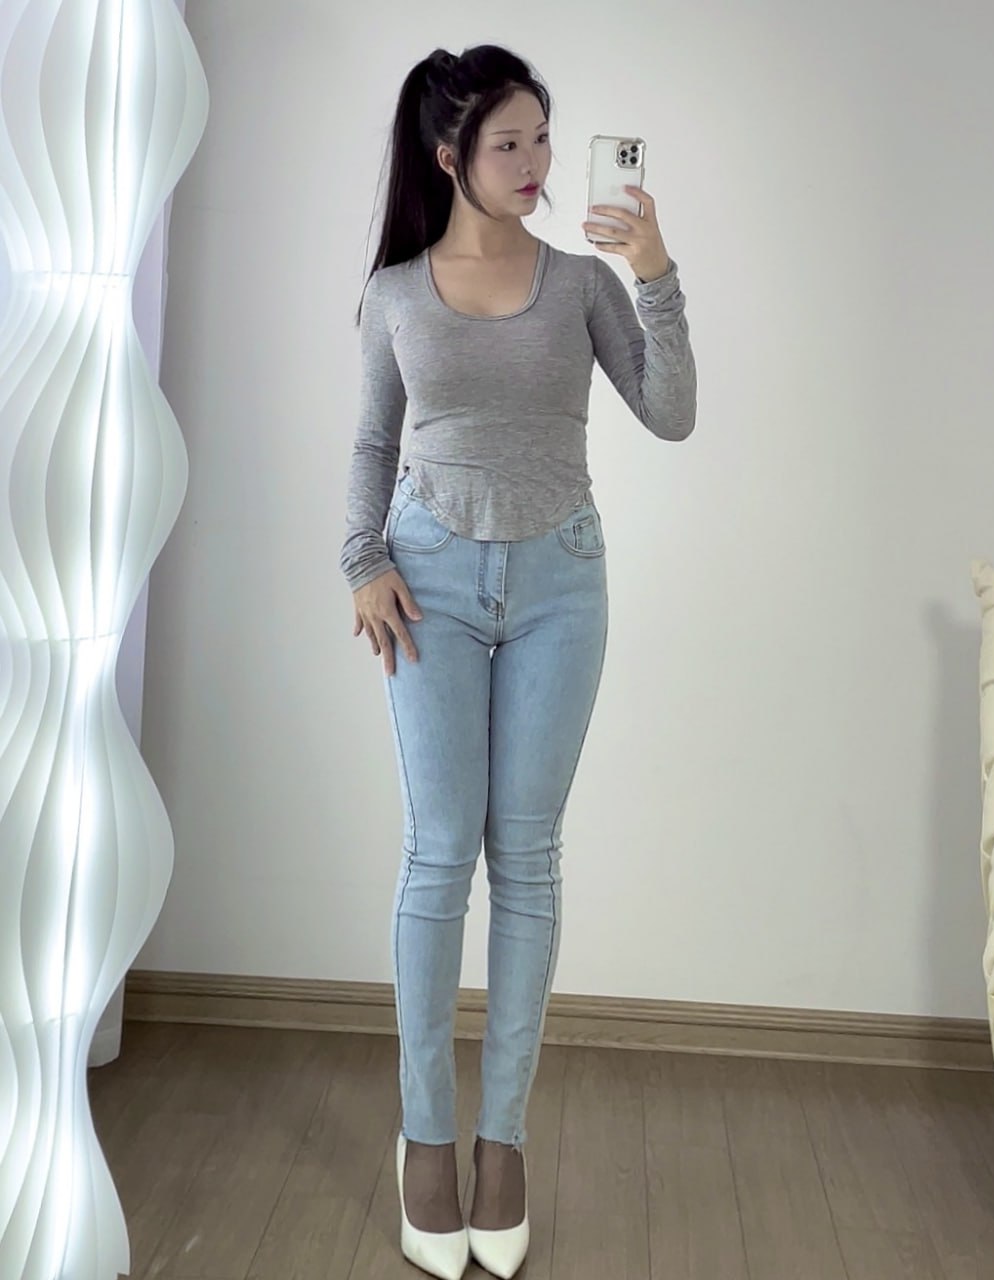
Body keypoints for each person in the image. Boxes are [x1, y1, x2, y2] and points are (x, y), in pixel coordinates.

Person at [340, 43, 697, 1280]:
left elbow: (670, 412)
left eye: (545, 137)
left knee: (527, 857)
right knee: (440, 853)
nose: (537, 162)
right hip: (427, 586)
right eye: (511, 143)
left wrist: (655, 275)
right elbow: (372, 439)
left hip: (560, 584)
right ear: (450, 155)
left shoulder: (582, 280)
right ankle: (426, 1137)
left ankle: (504, 1140)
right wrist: (360, 561)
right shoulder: (395, 292)